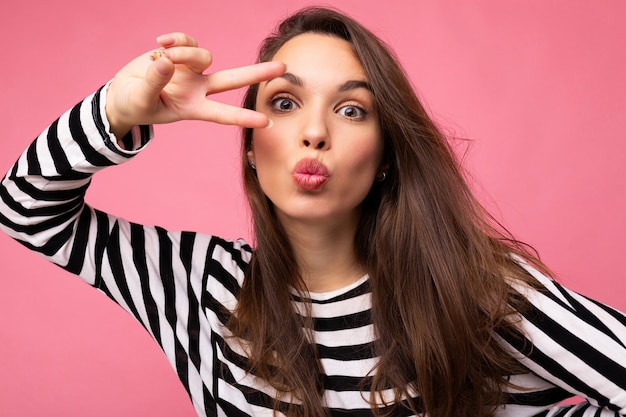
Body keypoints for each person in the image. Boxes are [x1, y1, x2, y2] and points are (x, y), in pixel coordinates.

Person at [0, 6, 624, 417]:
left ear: (384, 156)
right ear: (248, 146)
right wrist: (116, 110)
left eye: (351, 110)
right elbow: (26, 209)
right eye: (284, 103)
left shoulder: (479, 292)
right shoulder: (197, 283)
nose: (314, 133)